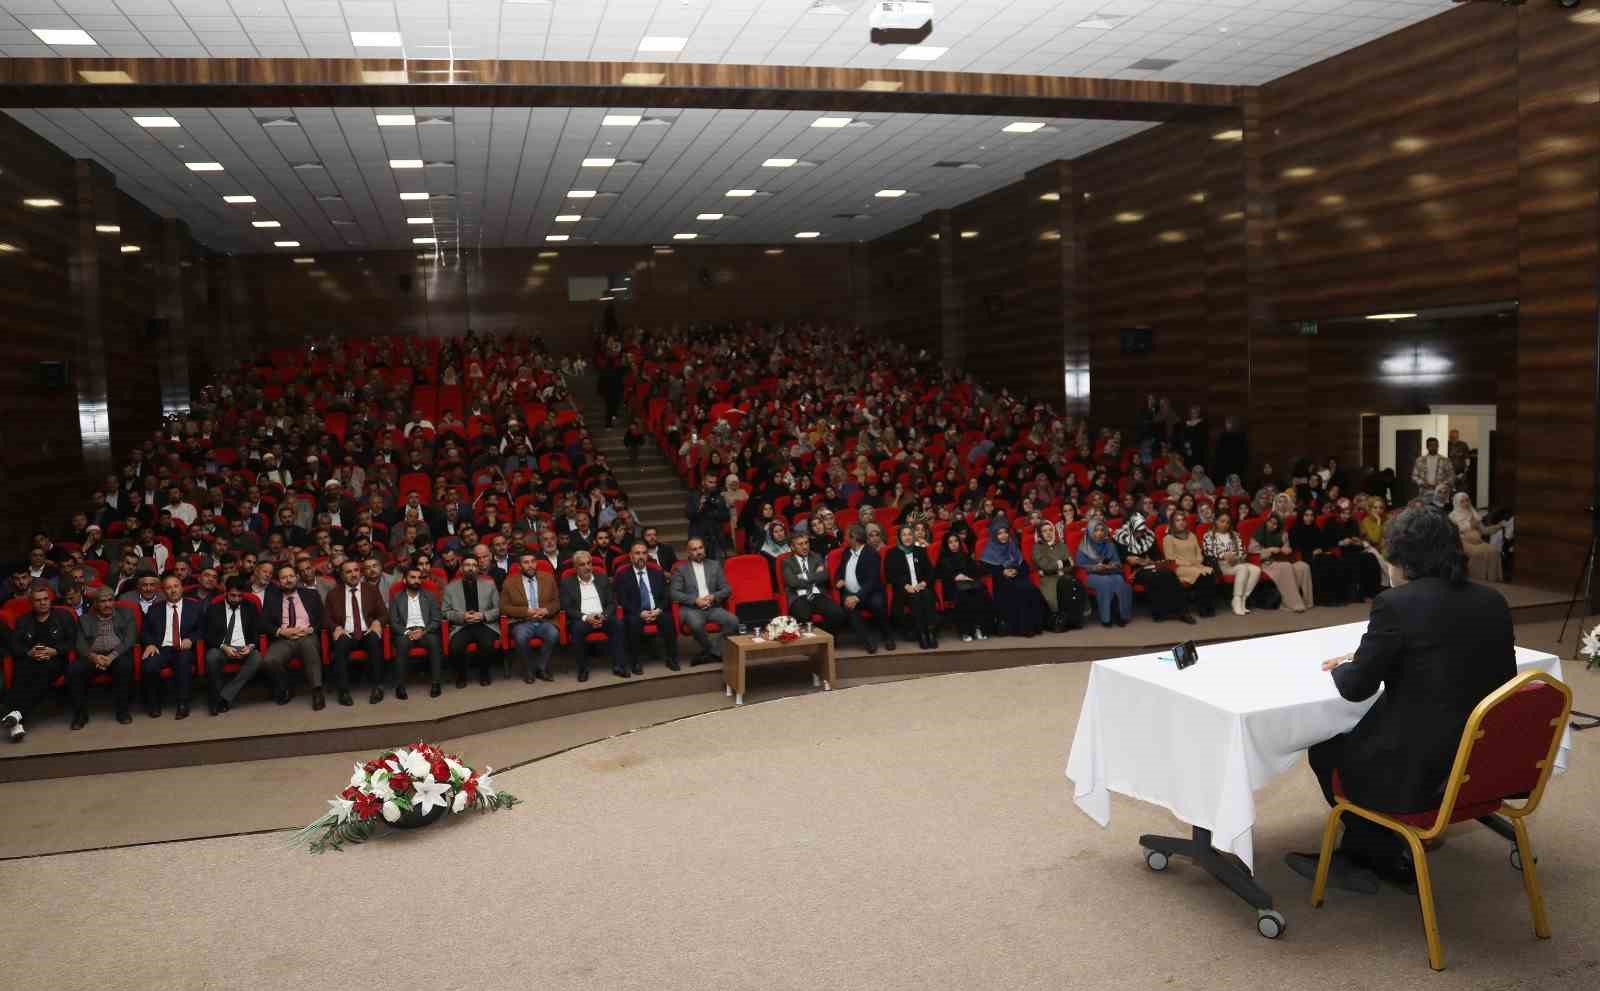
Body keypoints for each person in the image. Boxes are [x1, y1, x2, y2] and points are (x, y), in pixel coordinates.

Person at [1288, 508, 1518, 891]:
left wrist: (1350, 663)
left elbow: (1356, 687)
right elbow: (1498, 676)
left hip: (1419, 772)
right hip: (1478, 761)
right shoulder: (1493, 600)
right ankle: (1382, 850)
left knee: (1325, 747)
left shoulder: (1396, 604)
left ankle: (1368, 852)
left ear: (1403, 559)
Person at [2, 586, 76, 742]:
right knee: (21, 673)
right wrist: (29, 652)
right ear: (32, 603)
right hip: (31, 658)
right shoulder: (23, 620)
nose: (42, 603)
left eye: (45, 599)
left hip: (55, 660)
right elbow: (14, 645)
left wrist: (54, 650)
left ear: (50, 600)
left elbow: (72, 641)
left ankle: (17, 713)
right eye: (38, 600)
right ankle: (16, 724)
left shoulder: (63, 616)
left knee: (44, 672)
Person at [324, 559, 391, 704]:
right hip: (346, 633)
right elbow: (326, 618)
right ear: (342, 575)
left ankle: (378, 687)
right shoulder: (333, 594)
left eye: (356, 570)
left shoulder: (371, 590)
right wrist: (336, 627)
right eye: (348, 572)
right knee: (339, 646)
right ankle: (343, 691)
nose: (353, 574)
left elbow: (384, 613)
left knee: (374, 641)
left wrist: (377, 622)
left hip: (367, 631)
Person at [67, 586, 135, 729]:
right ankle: (80, 715)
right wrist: (94, 657)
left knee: (124, 666)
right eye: (103, 601)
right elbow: (80, 644)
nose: (107, 604)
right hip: (93, 656)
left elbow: (129, 640)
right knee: (75, 670)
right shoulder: (84, 619)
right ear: (96, 604)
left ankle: (122, 711)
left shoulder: (126, 614)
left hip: (117, 655)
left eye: (110, 600)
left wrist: (111, 656)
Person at [139, 575, 203, 719]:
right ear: (163, 591)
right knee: (149, 665)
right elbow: (145, 631)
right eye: (168, 588)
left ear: (181, 588)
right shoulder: (154, 609)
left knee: (184, 661)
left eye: (176, 586)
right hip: (160, 648)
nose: (173, 590)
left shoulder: (194, 607)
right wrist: (149, 644)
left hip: (182, 648)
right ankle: (154, 704)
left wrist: (191, 640)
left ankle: (183, 703)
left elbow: (203, 629)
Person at [669, 538, 741, 663]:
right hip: (692, 609)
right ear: (688, 552)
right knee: (696, 625)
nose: (698, 551)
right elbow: (674, 593)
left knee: (734, 621)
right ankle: (716, 652)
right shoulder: (681, 569)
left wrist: (713, 596)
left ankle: (710, 652)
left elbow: (727, 589)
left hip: (713, 607)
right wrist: (695, 600)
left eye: (701, 548)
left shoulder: (714, 565)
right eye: (694, 549)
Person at [559, 550, 627, 681]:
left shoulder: (602, 578)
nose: (587, 567)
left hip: (603, 616)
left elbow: (612, 602)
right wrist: (585, 617)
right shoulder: (567, 582)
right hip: (583, 619)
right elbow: (567, 608)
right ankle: (583, 669)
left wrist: (605, 615)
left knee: (618, 625)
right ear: (575, 567)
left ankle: (620, 666)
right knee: (577, 630)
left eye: (589, 563)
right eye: (582, 564)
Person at [1113, 512, 1190, 623]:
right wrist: (1127, 559)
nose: (1141, 533)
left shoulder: (1149, 535)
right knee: (1154, 577)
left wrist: (1151, 561)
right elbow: (1118, 557)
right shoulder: (1120, 537)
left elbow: (1157, 555)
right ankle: (1159, 613)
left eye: (1142, 530)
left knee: (1170, 574)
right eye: (1138, 531)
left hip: (1151, 565)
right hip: (1135, 570)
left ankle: (1183, 611)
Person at [615, 541, 679, 674]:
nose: (641, 556)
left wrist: (659, 609)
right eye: (637, 553)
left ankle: (671, 658)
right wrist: (640, 612)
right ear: (631, 556)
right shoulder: (623, 574)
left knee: (668, 619)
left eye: (644, 553)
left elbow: (666, 596)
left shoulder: (656, 572)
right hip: (636, 612)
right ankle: (636, 662)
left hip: (656, 610)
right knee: (633, 622)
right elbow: (622, 600)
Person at [203, 577, 264, 716]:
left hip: (244, 647)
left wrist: (251, 646)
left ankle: (224, 697)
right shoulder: (214, 608)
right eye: (233, 595)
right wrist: (223, 646)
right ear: (226, 592)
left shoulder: (250, 606)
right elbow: (208, 634)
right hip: (223, 648)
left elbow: (256, 630)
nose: (236, 599)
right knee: (211, 657)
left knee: (257, 658)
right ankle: (215, 698)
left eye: (240, 596)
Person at [831, 524, 895, 652]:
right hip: (849, 592)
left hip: (869, 593)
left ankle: (888, 636)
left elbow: (872, 581)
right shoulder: (846, 552)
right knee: (849, 606)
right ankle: (867, 641)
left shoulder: (871, 553)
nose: (844, 539)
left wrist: (857, 596)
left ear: (853, 538)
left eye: (846, 536)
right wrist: (839, 580)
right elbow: (839, 571)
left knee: (877, 604)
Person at [981, 520, 1048, 636]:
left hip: (1018, 577)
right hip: (1001, 582)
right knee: (1020, 590)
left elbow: (1025, 567)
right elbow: (986, 571)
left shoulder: (1013, 547)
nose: (1003, 536)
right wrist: (1004, 572)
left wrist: (1015, 570)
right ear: (994, 536)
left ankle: (1037, 625)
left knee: (1032, 589)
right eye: (999, 533)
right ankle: (1025, 628)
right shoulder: (989, 551)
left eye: (1005, 532)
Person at [501, 553, 560, 683]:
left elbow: (557, 602)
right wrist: (526, 611)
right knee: (521, 636)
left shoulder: (548, 579)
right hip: (522, 621)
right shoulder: (509, 583)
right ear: (519, 565)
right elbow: (504, 607)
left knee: (553, 633)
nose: (530, 565)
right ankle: (528, 669)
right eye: (526, 562)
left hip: (544, 620)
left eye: (533, 561)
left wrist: (546, 610)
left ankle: (541, 667)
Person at [444, 556, 500, 688]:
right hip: (462, 625)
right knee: (455, 647)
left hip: (484, 624)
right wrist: (462, 616)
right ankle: (461, 676)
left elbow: (498, 608)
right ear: (462, 568)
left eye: (474, 565)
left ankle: (484, 673)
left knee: (487, 644)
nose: (471, 568)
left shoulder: (489, 585)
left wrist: (483, 615)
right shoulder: (450, 588)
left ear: (478, 568)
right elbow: (445, 612)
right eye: (467, 565)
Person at [782, 533, 850, 635]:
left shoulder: (816, 557)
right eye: (800, 544)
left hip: (818, 594)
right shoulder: (787, 562)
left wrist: (804, 576)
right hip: (799, 596)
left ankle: (828, 639)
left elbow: (825, 576)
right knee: (803, 615)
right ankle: (810, 644)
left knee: (838, 613)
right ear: (792, 547)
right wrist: (815, 576)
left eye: (806, 543)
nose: (805, 547)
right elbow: (793, 582)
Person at [391, 566, 444, 695]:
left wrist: (423, 631)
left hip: (425, 631)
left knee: (435, 642)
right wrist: (408, 632)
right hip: (405, 632)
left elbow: (436, 619)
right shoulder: (397, 598)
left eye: (419, 578)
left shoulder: (429, 596)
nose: (417, 581)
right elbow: (394, 622)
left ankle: (436, 683)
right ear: (405, 580)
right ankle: (400, 686)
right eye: (412, 577)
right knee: (402, 644)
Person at [884, 525, 939, 649]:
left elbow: (930, 571)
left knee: (927, 595)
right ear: (899, 537)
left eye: (909, 534)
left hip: (921, 587)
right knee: (915, 597)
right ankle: (921, 634)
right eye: (904, 534)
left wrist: (924, 583)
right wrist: (906, 585)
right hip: (904, 590)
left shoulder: (920, 551)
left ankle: (930, 632)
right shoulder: (892, 553)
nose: (907, 537)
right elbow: (890, 575)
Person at [934, 532, 992, 642]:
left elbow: (975, 571)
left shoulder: (965, 555)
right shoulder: (943, 558)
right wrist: (955, 577)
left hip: (968, 584)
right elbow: (939, 575)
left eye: (956, 541)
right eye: (950, 542)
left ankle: (978, 628)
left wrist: (969, 575)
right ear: (946, 544)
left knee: (979, 593)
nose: (954, 544)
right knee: (963, 596)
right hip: (952, 587)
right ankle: (965, 631)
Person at [1249, 513, 1313, 612]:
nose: (1272, 525)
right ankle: (1294, 603)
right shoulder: (1259, 532)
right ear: (1267, 521)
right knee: (1286, 567)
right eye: (1271, 522)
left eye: (1275, 524)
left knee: (1304, 566)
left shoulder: (1283, 533)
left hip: (1283, 559)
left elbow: (1288, 548)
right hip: (1266, 562)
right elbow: (1252, 551)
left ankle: (1307, 602)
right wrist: (1269, 550)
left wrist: (1286, 549)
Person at [1198, 512, 1257, 616]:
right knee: (1243, 568)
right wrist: (1223, 555)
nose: (1225, 524)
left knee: (1256, 570)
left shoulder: (1235, 535)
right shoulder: (1208, 535)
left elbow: (1242, 551)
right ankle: (1236, 599)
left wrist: (1236, 558)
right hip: (1220, 565)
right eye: (1222, 521)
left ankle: (1243, 600)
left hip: (1236, 562)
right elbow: (1208, 552)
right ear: (1216, 522)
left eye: (1228, 522)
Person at [1163, 513, 1220, 619]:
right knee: (1201, 574)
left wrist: (1198, 561)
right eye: (1177, 520)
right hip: (1179, 567)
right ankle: (1203, 608)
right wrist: (1189, 563)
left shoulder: (1191, 535)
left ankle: (1208, 607)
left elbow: (1198, 552)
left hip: (1195, 565)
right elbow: (1170, 558)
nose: (1181, 522)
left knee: (1209, 572)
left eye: (1183, 520)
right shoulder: (1168, 538)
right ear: (1172, 523)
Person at [1076, 520, 1132, 627]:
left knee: (1119, 581)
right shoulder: (1083, 547)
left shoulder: (1110, 545)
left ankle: (1121, 615)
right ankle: (1107, 617)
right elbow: (1080, 565)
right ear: (1090, 531)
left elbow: (1118, 563)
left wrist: (1109, 566)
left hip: (1110, 572)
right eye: (1096, 530)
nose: (1099, 533)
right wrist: (1094, 567)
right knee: (1105, 582)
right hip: (1090, 575)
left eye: (1102, 530)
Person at [1326, 500, 1383, 599]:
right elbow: (1327, 542)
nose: (1346, 516)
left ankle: (1373, 591)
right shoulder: (1331, 523)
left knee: (1371, 557)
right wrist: (1342, 543)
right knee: (1354, 560)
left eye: (1348, 513)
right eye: (1343, 513)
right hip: (1339, 551)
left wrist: (1357, 541)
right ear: (1338, 513)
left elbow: (1359, 541)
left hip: (1353, 550)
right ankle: (1356, 593)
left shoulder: (1352, 522)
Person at [1031, 522, 1082, 631]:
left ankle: (1071, 621)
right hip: (1048, 579)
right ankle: (1058, 621)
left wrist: (1056, 566)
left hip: (1063, 576)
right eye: (1044, 531)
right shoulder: (1037, 547)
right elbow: (1045, 565)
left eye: (1050, 530)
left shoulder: (1062, 545)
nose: (1048, 533)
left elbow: (1071, 565)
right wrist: (1062, 564)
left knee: (1071, 588)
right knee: (1053, 599)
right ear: (1040, 534)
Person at [1291, 506, 1346, 607]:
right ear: (1302, 516)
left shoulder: (1315, 528)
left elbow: (1323, 543)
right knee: (1323, 563)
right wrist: (1312, 552)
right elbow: (1295, 547)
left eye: (1311, 515)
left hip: (1318, 555)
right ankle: (1324, 599)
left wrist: (1322, 550)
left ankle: (1337, 597)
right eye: (1306, 515)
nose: (1309, 518)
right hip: (1303, 556)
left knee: (1334, 559)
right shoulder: (1295, 529)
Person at [1449, 492, 1504, 583]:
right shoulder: (1452, 516)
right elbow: (1453, 533)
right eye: (1462, 501)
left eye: (1467, 500)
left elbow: (1484, 531)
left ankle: (1490, 580)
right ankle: (1476, 581)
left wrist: (1498, 526)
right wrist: (1469, 525)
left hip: (1478, 541)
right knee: (1477, 553)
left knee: (1494, 551)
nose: (1465, 503)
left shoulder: (1473, 513)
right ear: (1457, 502)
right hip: (1462, 542)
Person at [686, 474, 730, 559]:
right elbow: (689, 515)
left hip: (716, 537)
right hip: (698, 538)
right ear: (703, 482)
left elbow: (726, 516)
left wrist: (715, 511)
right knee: (699, 567)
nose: (713, 485)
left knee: (718, 568)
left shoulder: (719, 496)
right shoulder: (694, 495)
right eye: (710, 482)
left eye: (715, 482)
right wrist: (700, 506)